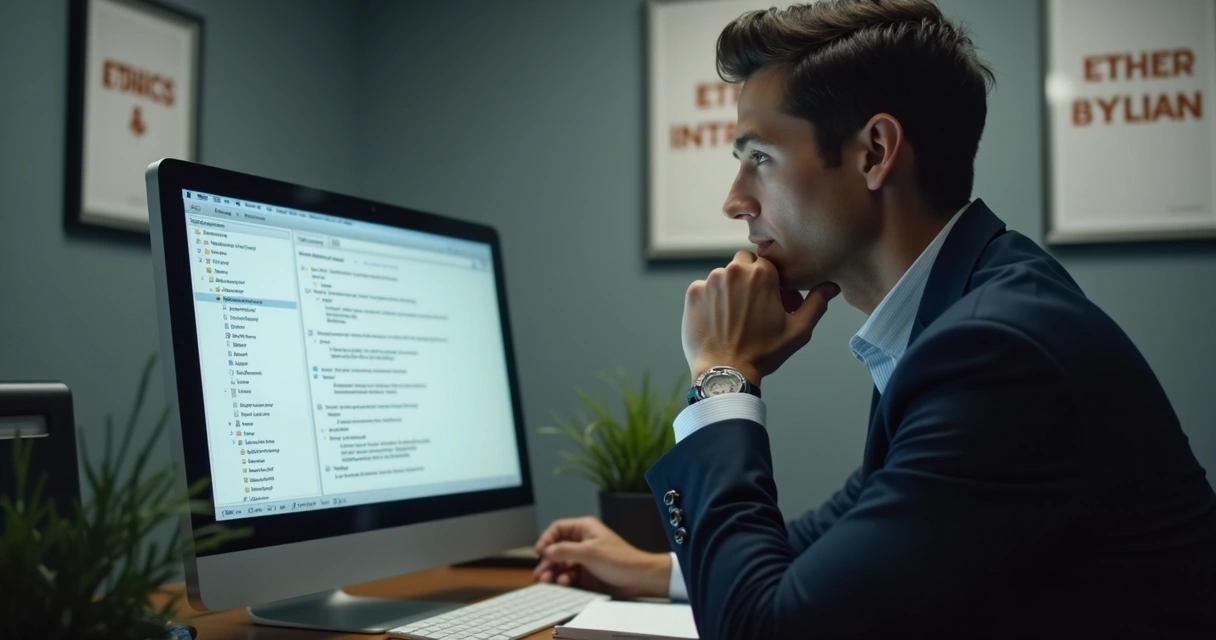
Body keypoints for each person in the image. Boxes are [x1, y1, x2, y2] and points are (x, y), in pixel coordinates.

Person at [534, 0, 1216, 637]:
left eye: (759, 159)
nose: (735, 201)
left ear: (874, 152)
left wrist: (722, 378)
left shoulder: (996, 353)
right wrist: (653, 570)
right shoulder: (968, 302)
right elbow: (848, 537)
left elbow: (767, 629)